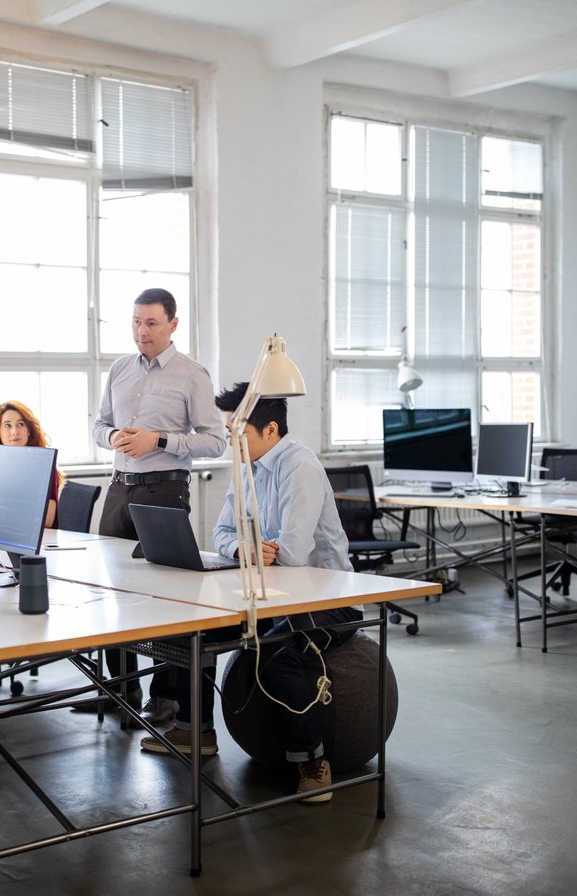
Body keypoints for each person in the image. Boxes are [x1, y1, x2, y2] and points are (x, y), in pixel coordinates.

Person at [138, 382, 360, 802]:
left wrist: (260, 547)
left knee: (274, 649)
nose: (228, 441)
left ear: (270, 429)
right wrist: (246, 546)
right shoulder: (246, 467)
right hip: (269, 592)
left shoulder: (301, 468)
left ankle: (312, 761)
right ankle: (194, 731)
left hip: (330, 600)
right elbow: (221, 532)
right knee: (193, 628)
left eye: (236, 432)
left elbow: (292, 555)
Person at [90, 287, 226, 725]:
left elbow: (214, 440)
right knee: (110, 591)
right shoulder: (119, 369)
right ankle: (120, 689)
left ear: (172, 324)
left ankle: (164, 696)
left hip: (165, 491)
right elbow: (98, 425)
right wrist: (112, 438)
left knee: (165, 597)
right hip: (119, 487)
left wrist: (160, 439)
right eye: (135, 322)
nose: (141, 331)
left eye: (150, 323)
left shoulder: (192, 375)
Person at [0, 399, 61, 528]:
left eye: (20, 424)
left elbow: (47, 520)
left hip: (39, 539)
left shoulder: (44, 466)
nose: (15, 431)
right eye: (7, 425)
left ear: (29, 430)